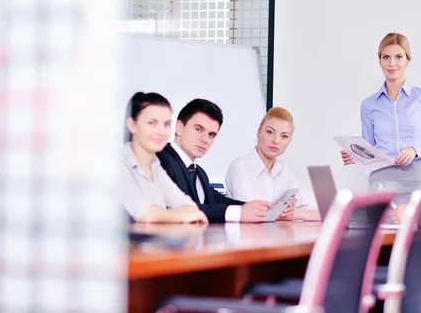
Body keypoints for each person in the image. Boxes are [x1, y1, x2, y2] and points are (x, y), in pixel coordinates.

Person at [341, 32, 421, 201]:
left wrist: (415, 151)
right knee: (380, 228)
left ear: (408, 60)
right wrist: (356, 156)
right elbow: (370, 150)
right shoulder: (368, 104)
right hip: (380, 185)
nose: (392, 63)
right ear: (380, 61)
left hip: (416, 185)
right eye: (386, 57)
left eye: (398, 57)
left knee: (417, 227)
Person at [157, 98, 293, 223]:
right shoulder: (160, 160)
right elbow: (177, 208)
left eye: (211, 135)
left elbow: (215, 200)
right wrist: (238, 212)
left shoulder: (199, 173)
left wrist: (256, 208)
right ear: (179, 127)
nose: (205, 139)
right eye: (198, 129)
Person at [119, 92, 208, 224]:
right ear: (132, 125)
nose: (161, 131)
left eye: (166, 124)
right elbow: (145, 214)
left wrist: (171, 214)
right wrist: (181, 215)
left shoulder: (156, 166)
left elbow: (189, 206)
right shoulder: (116, 165)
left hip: (155, 242)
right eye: (152, 123)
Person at [226, 107, 321, 221]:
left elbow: (322, 211)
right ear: (258, 133)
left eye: (284, 136)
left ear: (289, 140)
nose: (276, 141)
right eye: (270, 132)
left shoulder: (285, 172)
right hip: (245, 236)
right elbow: (252, 213)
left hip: (275, 237)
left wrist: (294, 213)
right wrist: (281, 213)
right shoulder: (240, 167)